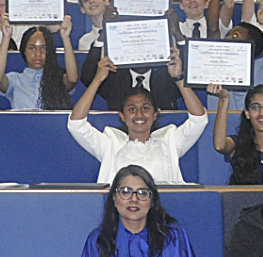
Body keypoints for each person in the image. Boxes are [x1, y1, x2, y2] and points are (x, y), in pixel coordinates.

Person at [70, 53, 209, 185]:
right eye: (131, 109)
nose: (139, 114)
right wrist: (97, 80)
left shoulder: (170, 140)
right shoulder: (110, 142)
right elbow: (76, 124)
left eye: (146, 108)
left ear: (155, 115)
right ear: (122, 116)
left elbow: (199, 119)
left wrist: (178, 79)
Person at [77, 165, 199, 257]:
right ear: (114, 198)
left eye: (142, 193)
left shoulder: (174, 238)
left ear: (152, 200)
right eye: (125, 192)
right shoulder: (97, 241)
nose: (134, 199)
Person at [0, 20, 80, 110]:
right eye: (32, 48)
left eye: (44, 48)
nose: (38, 53)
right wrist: (6, 37)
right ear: (24, 51)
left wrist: (66, 38)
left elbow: (72, 79)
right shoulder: (15, 80)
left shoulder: (58, 79)